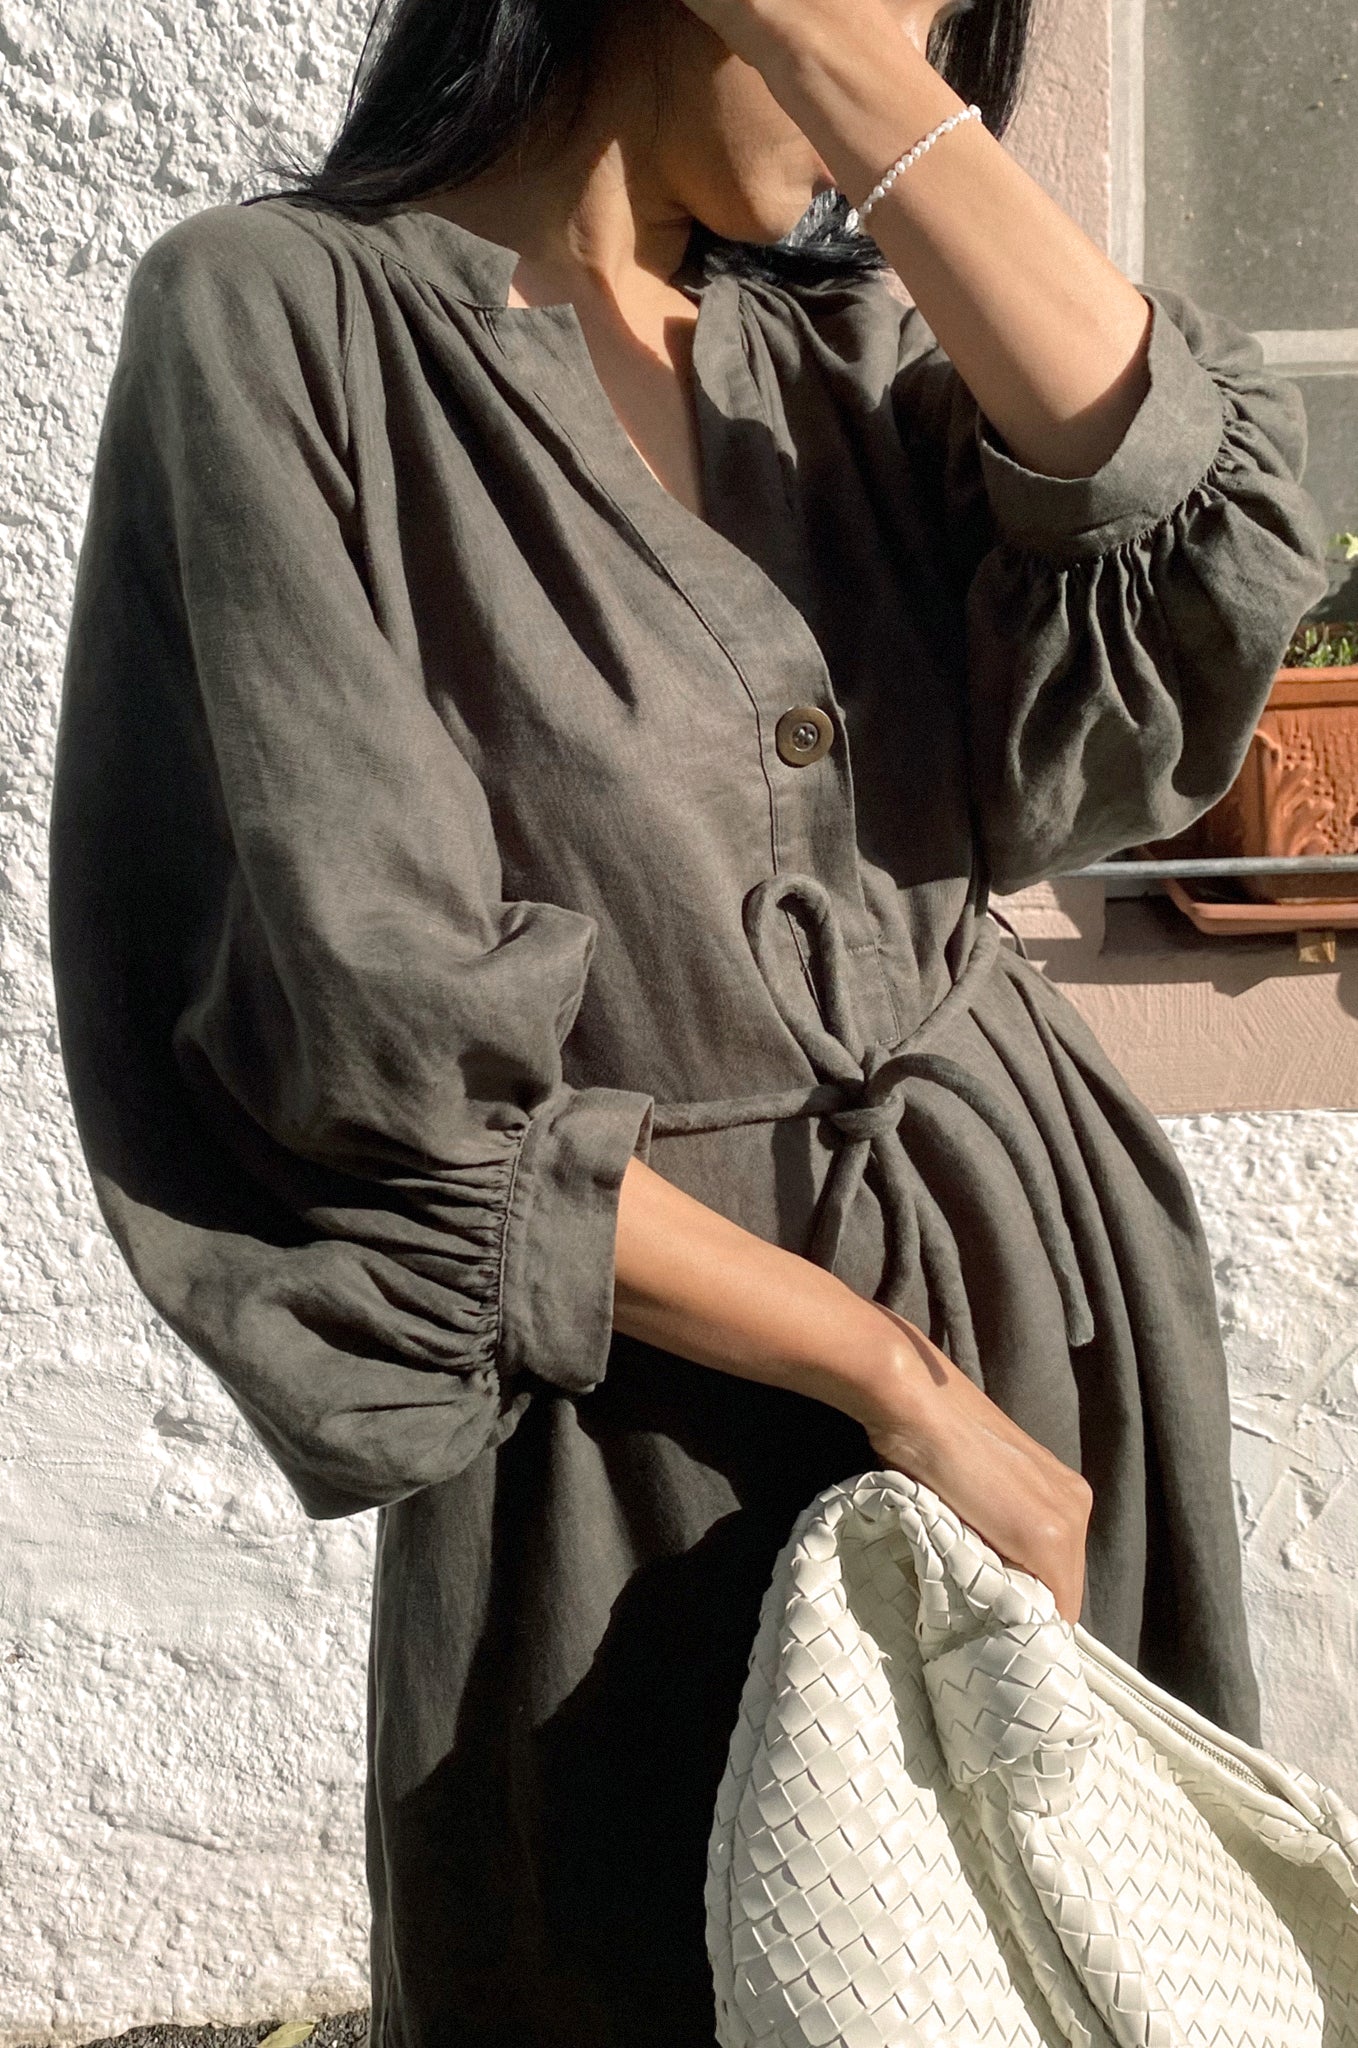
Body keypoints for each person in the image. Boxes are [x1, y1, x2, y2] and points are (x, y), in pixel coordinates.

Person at [47, 0, 1331, 2037]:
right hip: (638, 1427)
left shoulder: (850, 355)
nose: (919, 80)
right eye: (900, 13)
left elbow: (1178, 528)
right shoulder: (281, 321)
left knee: (1075, 1962)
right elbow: (363, 1049)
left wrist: (865, 84)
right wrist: (896, 1383)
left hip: (1044, 1312)